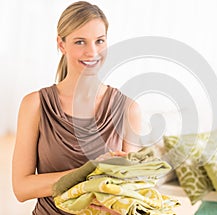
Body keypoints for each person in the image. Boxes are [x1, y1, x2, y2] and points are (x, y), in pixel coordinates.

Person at [12, 1, 141, 214]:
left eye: (99, 41)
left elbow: (132, 189)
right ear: (61, 45)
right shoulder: (34, 105)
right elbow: (21, 188)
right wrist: (89, 172)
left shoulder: (128, 109)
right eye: (80, 42)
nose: (92, 52)